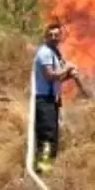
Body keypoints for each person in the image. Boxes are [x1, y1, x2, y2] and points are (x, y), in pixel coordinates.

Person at [32, 21, 79, 175]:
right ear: (45, 36)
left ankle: (46, 169)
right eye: (50, 35)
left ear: (60, 37)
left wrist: (68, 76)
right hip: (44, 101)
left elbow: (56, 79)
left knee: (52, 137)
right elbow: (50, 75)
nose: (53, 37)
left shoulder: (55, 52)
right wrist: (67, 68)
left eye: (56, 35)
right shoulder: (45, 52)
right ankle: (42, 172)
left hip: (51, 100)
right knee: (47, 137)